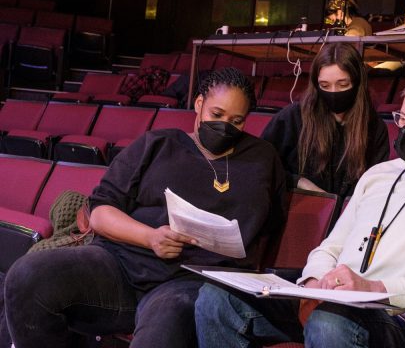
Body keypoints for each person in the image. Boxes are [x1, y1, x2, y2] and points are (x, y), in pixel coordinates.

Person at [195, 72, 405, 347]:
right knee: (217, 299)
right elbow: (330, 248)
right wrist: (314, 283)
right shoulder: (378, 173)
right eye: (402, 119)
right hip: (333, 302)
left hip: (398, 315)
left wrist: (373, 288)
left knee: (329, 321)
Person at [4, 67, 287, 348]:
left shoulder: (262, 159)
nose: (225, 126)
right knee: (28, 277)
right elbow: (101, 212)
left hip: (190, 282)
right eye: (217, 114)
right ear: (199, 104)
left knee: (163, 330)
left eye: (236, 121)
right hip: (120, 264)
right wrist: (150, 237)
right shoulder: (158, 143)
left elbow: (270, 226)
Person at [261, 42, 389, 198]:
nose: (333, 92)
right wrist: (299, 182)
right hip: (298, 209)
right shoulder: (292, 118)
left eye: (343, 84)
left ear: (357, 82)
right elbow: (263, 165)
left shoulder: (374, 127)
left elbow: (376, 183)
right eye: (325, 85)